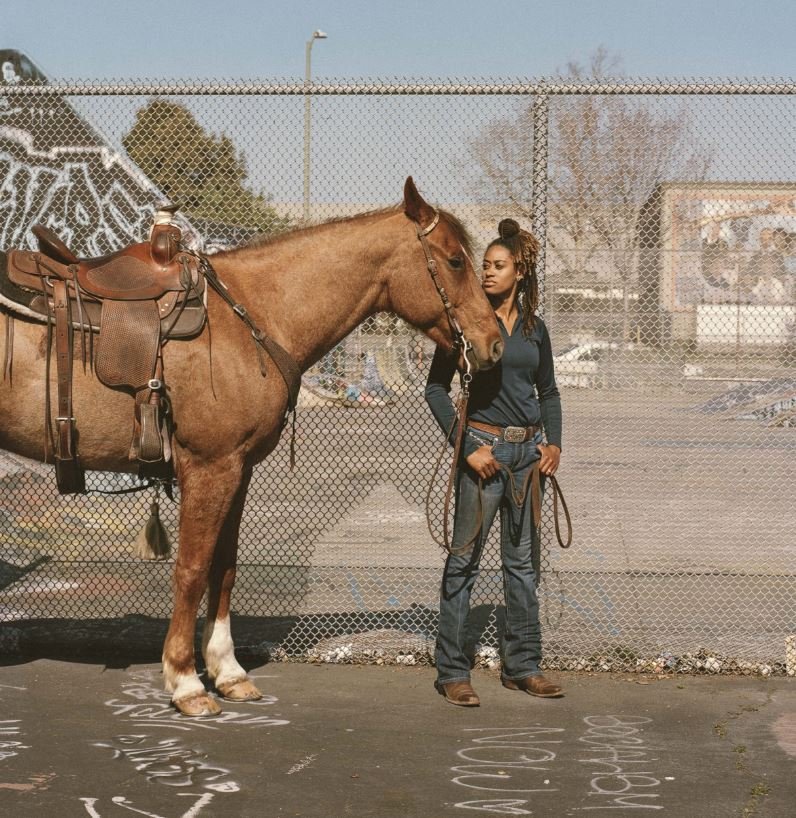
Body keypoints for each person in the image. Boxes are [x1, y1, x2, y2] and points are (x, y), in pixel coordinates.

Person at [425, 218, 563, 707]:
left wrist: (554, 445)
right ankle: (451, 672)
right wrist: (468, 449)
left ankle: (523, 667)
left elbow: (548, 392)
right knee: (463, 563)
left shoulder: (535, 330)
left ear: (519, 272)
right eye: (484, 265)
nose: (487, 273)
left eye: (498, 266)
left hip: (528, 459)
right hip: (482, 455)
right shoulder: (466, 324)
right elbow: (435, 391)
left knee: (522, 567)